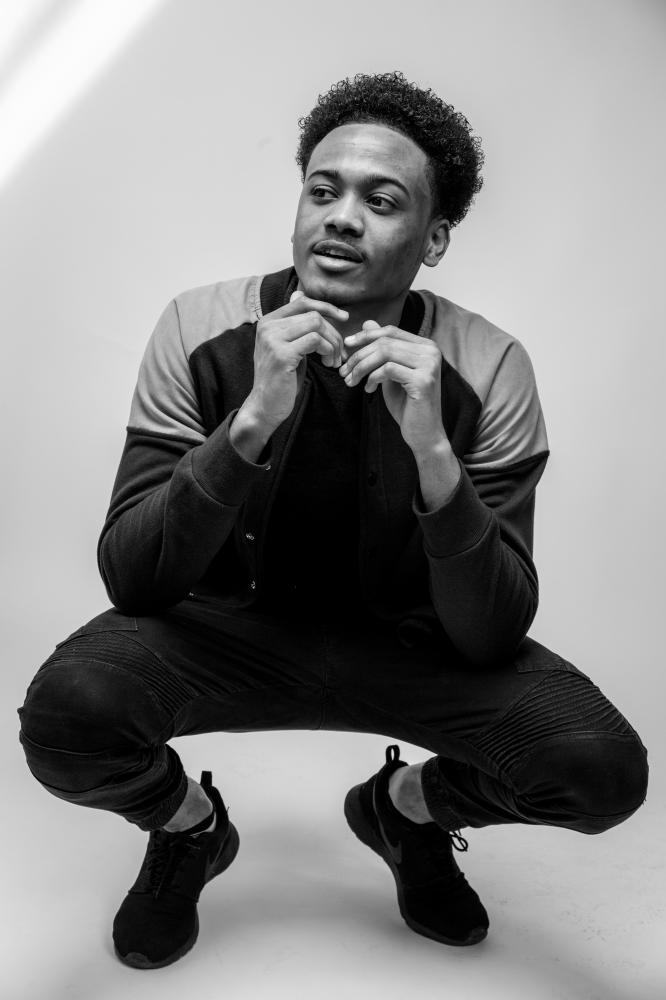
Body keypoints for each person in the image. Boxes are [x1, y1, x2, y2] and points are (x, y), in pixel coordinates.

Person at [18, 70, 648, 969]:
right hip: (224, 636)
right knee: (68, 715)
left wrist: (434, 453)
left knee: (600, 770)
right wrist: (249, 422)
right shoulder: (199, 326)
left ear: (434, 239)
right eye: (323, 191)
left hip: (412, 649)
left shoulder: (490, 364)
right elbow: (135, 578)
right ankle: (191, 829)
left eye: (380, 201)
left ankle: (405, 810)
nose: (341, 218)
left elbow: (492, 631)